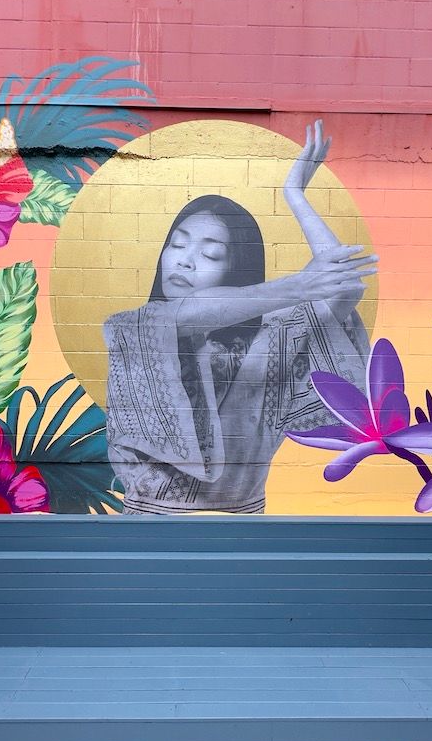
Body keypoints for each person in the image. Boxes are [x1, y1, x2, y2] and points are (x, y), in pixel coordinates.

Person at [104, 121, 376, 514]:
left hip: (245, 527)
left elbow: (342, 288)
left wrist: (295, 195)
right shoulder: (134, 330)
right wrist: (302, 284)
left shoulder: (273, 339)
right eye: (176, 245)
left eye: (210, 254)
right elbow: (188, 315)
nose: (184, 259)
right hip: (150, 528)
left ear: (237, 269)